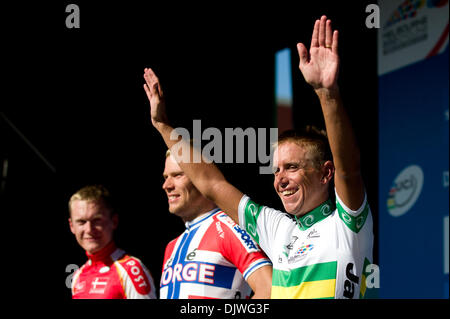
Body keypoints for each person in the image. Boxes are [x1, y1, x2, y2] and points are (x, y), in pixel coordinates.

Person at [143, 15, 374, 299]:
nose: (281, 180)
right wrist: (164, 126)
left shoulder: (348, 222)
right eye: (276, 171)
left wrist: (327, 93)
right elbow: (212, 185)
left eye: (291, 168)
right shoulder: (278, 228)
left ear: (325, 173)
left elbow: (348, 170)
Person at [159, 149, 272, 299]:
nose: (166, 185)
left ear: (202, 176)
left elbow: (270, 289)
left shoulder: (229, 227)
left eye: (178, 175)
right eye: (166, 177)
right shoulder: (171, 246)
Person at [68, 184, 157, 299]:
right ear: (72, 226)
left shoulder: (131, 269)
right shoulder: (77, 275)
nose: (89, 229)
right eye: (81, 222)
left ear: (114, 221)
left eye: (97, 220)